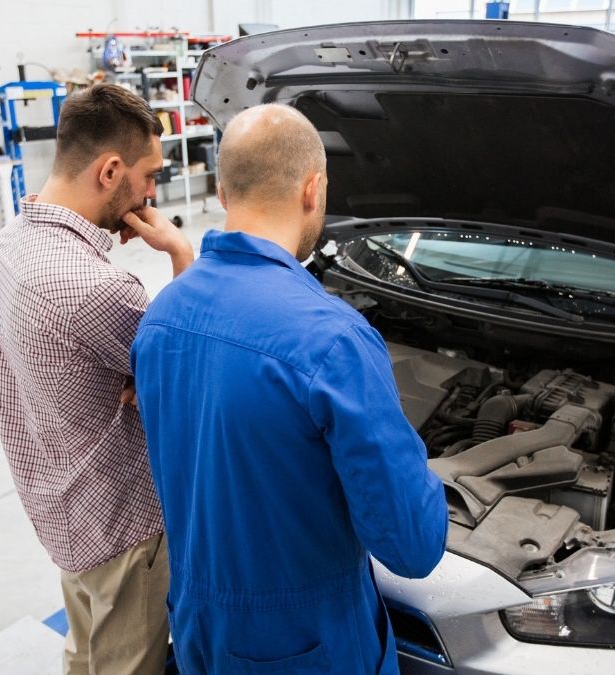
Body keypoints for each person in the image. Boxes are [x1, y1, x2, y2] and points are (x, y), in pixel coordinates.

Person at [131, 104, 448, 673]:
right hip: (307, 645)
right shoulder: (332, 342)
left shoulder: (161, 318)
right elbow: (412, 547)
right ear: (313, 188)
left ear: (224, 193)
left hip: (198, 626)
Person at [0, 83, 193, 675]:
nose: (152, 192)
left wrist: (137, 375)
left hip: (64, 506)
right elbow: (190, 372)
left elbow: (141, 363)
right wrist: (180, 254)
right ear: (109, 171)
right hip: (123, 526)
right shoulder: (99, 289)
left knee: (89, 647)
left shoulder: (7, 247)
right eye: (148, 174)